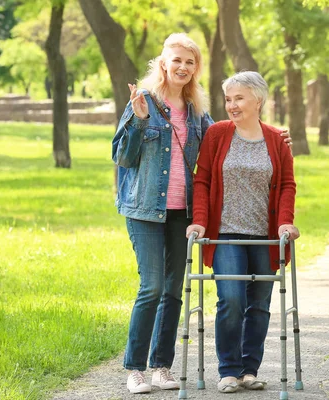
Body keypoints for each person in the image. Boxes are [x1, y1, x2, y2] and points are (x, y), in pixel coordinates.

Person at [112, 33, 213, 394]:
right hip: (143, 210)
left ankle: (161, 366)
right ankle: (135, 369)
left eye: (190, 62)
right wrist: (138, 121)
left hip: (182, 213)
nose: (183, 67)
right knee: (152, 287)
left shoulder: (199, 112)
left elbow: (225, 144)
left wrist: (271, 139)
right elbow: (122, 158)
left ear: (195, 68)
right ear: (163, 64)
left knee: (173, 291)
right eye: (177, 61)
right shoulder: (144, 102)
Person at [186, 71, 299, 394]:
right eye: (228, 99)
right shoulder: (218, 134)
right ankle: (229, 370)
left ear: (258, 100)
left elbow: (288, 184)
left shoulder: (277, 139)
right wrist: (200, 222)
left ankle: (250, 369)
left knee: (260, 304)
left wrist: (285, 223)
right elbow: (203, 180)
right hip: (226, 235)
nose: (232, 105)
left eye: (239, 98)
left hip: (264, 236)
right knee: (231, 299)